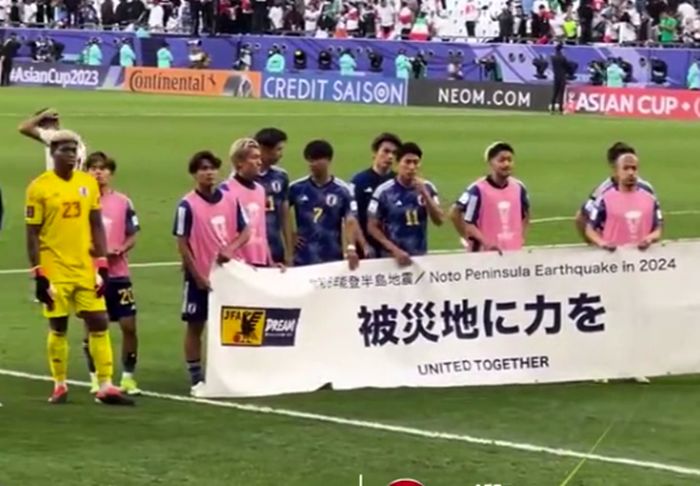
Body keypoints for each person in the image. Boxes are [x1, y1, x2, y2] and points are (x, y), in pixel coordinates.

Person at [24, 130, 133, 405]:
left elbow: (96, 224)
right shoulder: (39, 187)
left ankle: (106, 385)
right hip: (54, 267)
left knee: (99, 320)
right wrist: (38, 273)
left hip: (84, 266)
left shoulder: (87, 183)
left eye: (74, 150)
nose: (72, 155)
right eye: (66, 150)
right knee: (58, 325)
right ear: (53, 152)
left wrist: (102, 263)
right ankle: (60, 384)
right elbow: (32, 233)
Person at [173, 151, 250, 396]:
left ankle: (232, 372)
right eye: (203, 169)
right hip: (200, 277)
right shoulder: (187, 205)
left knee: (234, 325)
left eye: (212, 168)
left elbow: (246, 231)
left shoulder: (230, 199)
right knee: (195, 325)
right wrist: (197, 275)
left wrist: (231, 248)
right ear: (194, 174)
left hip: (228, 275)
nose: (209, 173)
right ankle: (196, 376)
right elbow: (182, 244)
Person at [585, 150, 662, 385]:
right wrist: (601, 243)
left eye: (634, 168)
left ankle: (634, 365)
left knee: (635, 316)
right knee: (608, 315)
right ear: (616, 172)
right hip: (611, 266)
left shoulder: (649, 198)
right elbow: (590, 228)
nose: (630, 173)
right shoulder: (605, 199)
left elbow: (658, 227)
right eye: (626, 169)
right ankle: (604, 366)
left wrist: (650, 238)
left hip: (638, 267)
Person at [85, 153, 141, 395]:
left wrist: (121, 249)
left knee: (129, 326)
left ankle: (128, 377)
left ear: (110, 173)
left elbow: (133, 233)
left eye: (103, 168)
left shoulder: (123, 202)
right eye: (93, 168)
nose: (98, 172)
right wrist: (96, 251)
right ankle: (95, 378)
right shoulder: (82, 202)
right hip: (91, 274)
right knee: (93, 326)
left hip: (119, 273)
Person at [367, 142, 443, 266]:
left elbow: (439, 220)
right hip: (391, 259)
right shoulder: (384, 191)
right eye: (407, 162)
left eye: (415, 162)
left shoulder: (428, 188)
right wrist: (394, 250)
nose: (412, 167)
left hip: (420, 257)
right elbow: (372, 227)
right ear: (397, 164)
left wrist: (425, 194)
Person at [288, 140, 361, 268]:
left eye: (316, 160)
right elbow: (280, 211)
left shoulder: (342, 190)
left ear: (328, 160)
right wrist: (291, 235)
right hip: (303, 257)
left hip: (332, 256)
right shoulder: (296, 187)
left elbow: (350, 219)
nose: (312, 164)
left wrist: (351, 247)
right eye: (310, 160)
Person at [450, 142, 529, 252]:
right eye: (501, 160)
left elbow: (526, 214)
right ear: (490, 163)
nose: (506, 164)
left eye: (509, 160)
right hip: (485, 255)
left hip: (513, 252)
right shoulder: (478, 190)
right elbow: (467, 222)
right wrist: (484, 243)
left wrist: (521, 237)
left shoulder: (519, 188)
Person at [574, 142, 655, 242]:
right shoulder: (602, 191)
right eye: (625, 167)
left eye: (632, 166)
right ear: (614, 166)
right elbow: (583, 216)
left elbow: (655, 216)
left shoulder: (645, 188)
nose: (630, 172)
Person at [221, 138, 277, 268]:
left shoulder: (260, 190)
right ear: (239, 163)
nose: (259, 162)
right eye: (254, 158)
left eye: (259, 157)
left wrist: (270, 261)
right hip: (238, 262)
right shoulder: (226, 190)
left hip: (259, 259)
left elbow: (261, 229)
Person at [350, 133, 402, 258]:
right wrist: (364, 245)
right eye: (386, 151)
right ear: (375, 153)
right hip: (366, 251)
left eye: (394, 153)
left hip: (394, 251)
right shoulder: (359, 181)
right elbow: (352, 218)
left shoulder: (398, 181)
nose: (390, 156)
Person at [253, 128, 291, 265]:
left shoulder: (281, 176)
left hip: (275, 246)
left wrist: (289, 251)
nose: (281, 154)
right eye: (278, 149)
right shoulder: (242, 178)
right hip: (252, 250)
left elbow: (285, 215)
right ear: (264, 149)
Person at [18, 108, 88, 171]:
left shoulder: (53, 136)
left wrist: (43, 115)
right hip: (78, 177)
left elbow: (23, 128)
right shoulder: (73, 136)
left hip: (62, 178)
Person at [549, 43, 568, 114]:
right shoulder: (563, 58)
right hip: (562, 77)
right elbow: (567, 66)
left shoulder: (553, 58)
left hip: (556, 76)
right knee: (561, 93)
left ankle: (552, 108)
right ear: (561, 50)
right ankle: (560, 109)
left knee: (555, 93)